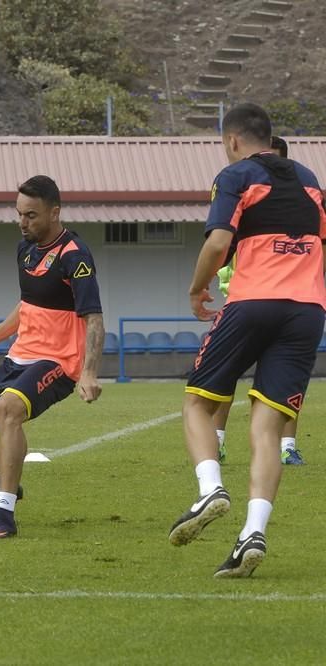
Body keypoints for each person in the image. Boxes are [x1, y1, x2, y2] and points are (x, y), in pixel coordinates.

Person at [169, 104, 326, 577]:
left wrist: (198, 288)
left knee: (197, 401)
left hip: (254, 302)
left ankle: (210, 488)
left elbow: (218, 243)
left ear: (233, 140)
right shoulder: (310, 180)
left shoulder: (235, 175)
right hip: (307, 312)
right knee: (268, 428)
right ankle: (252, 535)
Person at [0, 175, 105, 540]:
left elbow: (94, 319)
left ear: (55, 212)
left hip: (59, 362)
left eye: (31, 215)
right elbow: (26, 307)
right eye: (19, 214)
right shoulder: (25, 250)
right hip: (18, 357)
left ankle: (4, 516)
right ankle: (0, 489)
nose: (22, 223)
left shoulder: (75, 256)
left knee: (8, 409)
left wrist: (89, 372)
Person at [212, 136, 304, 466]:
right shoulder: (243, 202)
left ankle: (287, 445)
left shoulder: (297, 205)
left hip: (289, 304)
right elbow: (220, 245)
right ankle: (217, 442)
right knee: (224, 376)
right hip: (243, 302)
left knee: (284, 379)